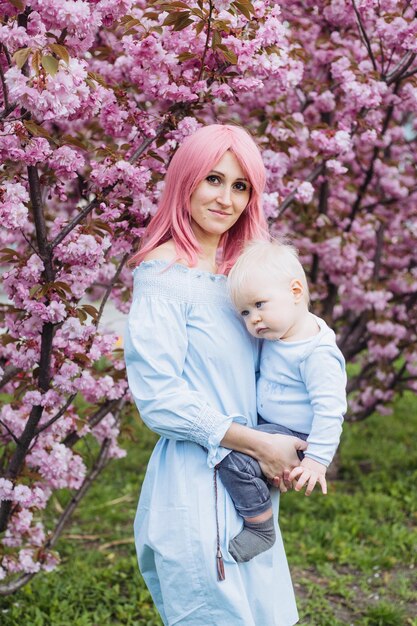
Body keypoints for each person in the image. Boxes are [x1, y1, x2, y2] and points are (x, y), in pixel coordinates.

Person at [124, 124, 306, 626]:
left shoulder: (240, 273)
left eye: (241, 185)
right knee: (217, 612)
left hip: (249, 473)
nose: (227, 198)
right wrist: (257, 443)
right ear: (185, 181)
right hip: (197, 475)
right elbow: (158, 396)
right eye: (213, 179)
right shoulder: (166, 274)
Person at [218, 239, 347, 563]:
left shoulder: (316, 353)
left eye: (260, 304)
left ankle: (260, 526)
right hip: (274, 424)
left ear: (295, 291)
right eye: (245, 312)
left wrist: (317, 459)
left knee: (231, 460)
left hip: (297, 434)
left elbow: (331, 409)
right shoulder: (279, 332)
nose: (254, 320)